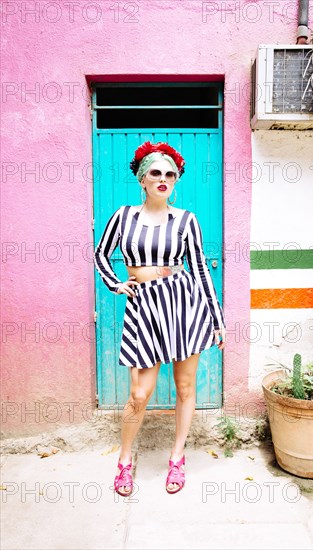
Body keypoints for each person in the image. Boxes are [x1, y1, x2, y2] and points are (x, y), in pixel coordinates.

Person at [94, 141, 226, 496]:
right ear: (142, 178)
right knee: (139, 394)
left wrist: (216, 318)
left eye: (170, 173)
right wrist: (117, 285)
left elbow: (199, 269)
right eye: (156, 173)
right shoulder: (123, 217)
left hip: (183, 303)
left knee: (185, 388)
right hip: (144, 307)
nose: (164, 178)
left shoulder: (186, 220)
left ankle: (177, 458)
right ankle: (124, 461)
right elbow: (101, 254)